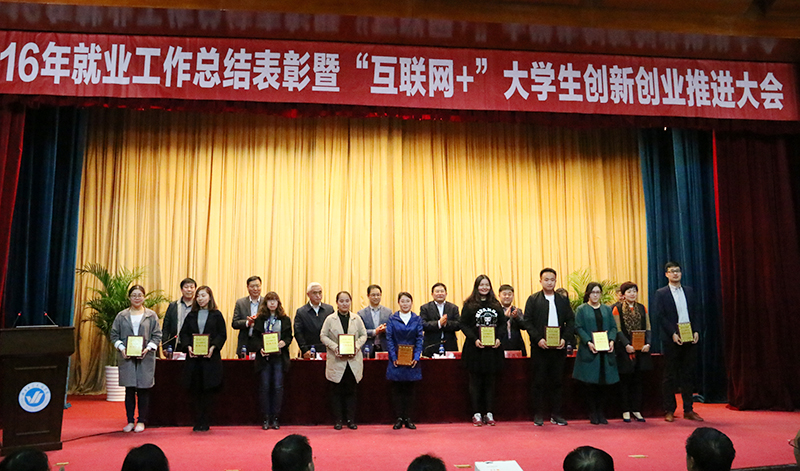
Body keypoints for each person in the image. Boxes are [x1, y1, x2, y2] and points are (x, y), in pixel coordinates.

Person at [523, 268, 575, 426]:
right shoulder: (533, 299)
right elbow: (527, 322)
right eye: (546, 279)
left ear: (556, 281)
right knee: (538, 381)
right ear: (540, 281)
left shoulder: (562, 300)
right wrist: (538, 339)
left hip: (558, 348)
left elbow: (570, 321)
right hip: (540, 348)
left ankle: (556, 414)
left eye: (552, 280)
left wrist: (564, 339)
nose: (549, 282)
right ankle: (538, 414)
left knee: (557, 382)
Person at [653, 261, 703, 422]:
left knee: (688, 374)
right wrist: (672, 333)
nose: (675, 273)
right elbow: (660, 316)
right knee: (670, 375)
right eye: (672, 271)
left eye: (678, 271)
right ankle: (669, 409)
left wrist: (696, 330)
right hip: (672, 338)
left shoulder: (689, 291)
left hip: (689, 336)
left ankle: (688, 409)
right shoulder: (661, 293)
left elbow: (696, 312)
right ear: (666, 274)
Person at [110, 285, 162, 433]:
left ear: (144, 297)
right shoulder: (121, 316)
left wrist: (148, 348)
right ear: (129, 298)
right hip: (127, 357)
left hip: (145, 357)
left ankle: (141, 421)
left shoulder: (151, 315)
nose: (137, 298)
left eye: (140, 295)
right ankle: (130, 421)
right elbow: (114, 335)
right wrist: (122, 348)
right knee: (130, 390)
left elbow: (157, 335)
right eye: (134, 295)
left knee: (144, 390)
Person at [179, 285, 227, 431]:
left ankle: (206, 421)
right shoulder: (191, 315)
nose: (200, 299)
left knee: (208, 391)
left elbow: (222, 335)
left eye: (203, 296)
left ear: (210, 297)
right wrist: (188, 347)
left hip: (210, 359)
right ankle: (197, 420)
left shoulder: (216, 315)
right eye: (198, 296)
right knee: (195, 391)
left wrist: (213, 347)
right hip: (194, 360)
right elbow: (184, 334)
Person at [461, 275, 507, 426]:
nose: (484, 288)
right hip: (475, 350)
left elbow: (502, 324)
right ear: (476, 287)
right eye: (481, 285)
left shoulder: (496, 304)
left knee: (490, 383)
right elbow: (463, 325)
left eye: (487, 285)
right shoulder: (469, 304)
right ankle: (476, 413)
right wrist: (474, 339)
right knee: (475, 383)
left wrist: (499, 338)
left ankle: (489, 413)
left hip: (492, 351)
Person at [320, 291, 367, 429]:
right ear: (337, 303)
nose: (344, 304)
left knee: (351, 391)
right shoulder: (330, 319)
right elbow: (323, 336)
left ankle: (351, 420)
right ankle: (338, 420)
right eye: (341, 301)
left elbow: (363, 335)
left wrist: (356, 347)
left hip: (353, 360)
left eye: (347, 301)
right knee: (336, 392)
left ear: (350, 302)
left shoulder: (356, 319)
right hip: (337, 360)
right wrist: (335, 347)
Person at [573, 282, 619, 425]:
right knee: (590, 384)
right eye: (592, 292)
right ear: (588, 294)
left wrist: (612, 341)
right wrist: (588, 342)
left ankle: (601, 412)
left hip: (605, 351)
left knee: (604, 383)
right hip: (589, 350)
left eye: (598, 292)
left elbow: (613, 327)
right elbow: (578, 327)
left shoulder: (606, 309)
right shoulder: (581, 309)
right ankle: (592, 412)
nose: (595, 295)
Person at [248, 291, 293, 430]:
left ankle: (276, 417)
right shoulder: (260, 319)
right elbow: (254, 338)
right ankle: (266, 418)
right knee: (265, 387)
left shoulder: (285, 319)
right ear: (265, 303)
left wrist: (284, 343)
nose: (272, 303)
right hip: (264, 359)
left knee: (278, 387)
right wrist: (260, 348)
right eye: (269, 300)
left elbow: (289, 336)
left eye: (275, 300)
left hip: (279, 358)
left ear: (278, 303)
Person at [611, 281, 652, 422]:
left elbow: (648, 327)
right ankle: (625, 410)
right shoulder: (617, 309)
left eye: (634, 291)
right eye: (629, 291)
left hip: (641, 349)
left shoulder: (642, 308)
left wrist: (648, 343)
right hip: (624, 350)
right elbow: (617, 330)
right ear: (623, 294)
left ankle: (636, 409)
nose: (632, 294)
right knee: (625, 381)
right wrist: (626, 344)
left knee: (638, 381)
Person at [385, 291, 424, 429]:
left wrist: (416, 356)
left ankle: (408, 418)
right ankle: (398, 418)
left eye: (408, 301)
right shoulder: (392, 319)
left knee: (410, 391)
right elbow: (389, 339)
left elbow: (419, 338)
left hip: (412, 360)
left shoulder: (417, 319)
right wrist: (393, 357)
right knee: (397, 390)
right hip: (396, 360)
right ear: (398, 303)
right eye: (402, 301)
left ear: (412, 303)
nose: (405, 304)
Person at [294, 282, 334, 358]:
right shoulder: (301, 312)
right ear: (308, 294)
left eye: (320, 292)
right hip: (309, 351)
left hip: (327, 350)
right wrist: (304, 350)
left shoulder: (329, 310)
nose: (318, 295)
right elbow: (298, 333)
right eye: (315, 293)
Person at [419, 282, 461, 355]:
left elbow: (459, 324)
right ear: (432, 294)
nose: (440, 293)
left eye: (442, 291)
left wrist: (446, 324)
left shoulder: (453, 308)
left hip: (450, 345)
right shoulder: (425, 308)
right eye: (437, 291)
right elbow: (423, 324)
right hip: (431, 345)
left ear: (446, 293)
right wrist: (438, 323)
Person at [161, 277, 196, 352]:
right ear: (181, 289)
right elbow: (166, 328)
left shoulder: (198, 307)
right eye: (186, 287)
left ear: (195, 289)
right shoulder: (173, 306)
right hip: (176, 345)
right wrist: (165, 346)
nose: (189, 289)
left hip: (194, 345)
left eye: (191, 287)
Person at [357, 284, 392, 357]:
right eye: (373, 295)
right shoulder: (361, 314)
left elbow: (393, 329)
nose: (376, 297)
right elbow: (359, 332)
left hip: (384, 348)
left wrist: (386, 329)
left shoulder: (388, 312)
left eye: (378, 295)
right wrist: (374, 332)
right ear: (368, 296)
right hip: (367, 349)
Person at [232, 275, 263, 355]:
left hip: (262, 343)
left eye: (257, 286)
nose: (255, 289)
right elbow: (234, 323)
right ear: (248, 287)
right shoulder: (240, 303)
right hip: (245, 343)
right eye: (252, 286)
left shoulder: (266, 303)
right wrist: (247, 323)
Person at [498, 284, 527, 356]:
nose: (507, 296)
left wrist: (516, 317)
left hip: (516, 344)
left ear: (513, 296)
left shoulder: (517, 311)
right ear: (499, 296)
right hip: (500, 344)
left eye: (509, 294)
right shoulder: (496, 311)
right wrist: (505, 317)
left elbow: (524, 326)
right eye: (504, 294)